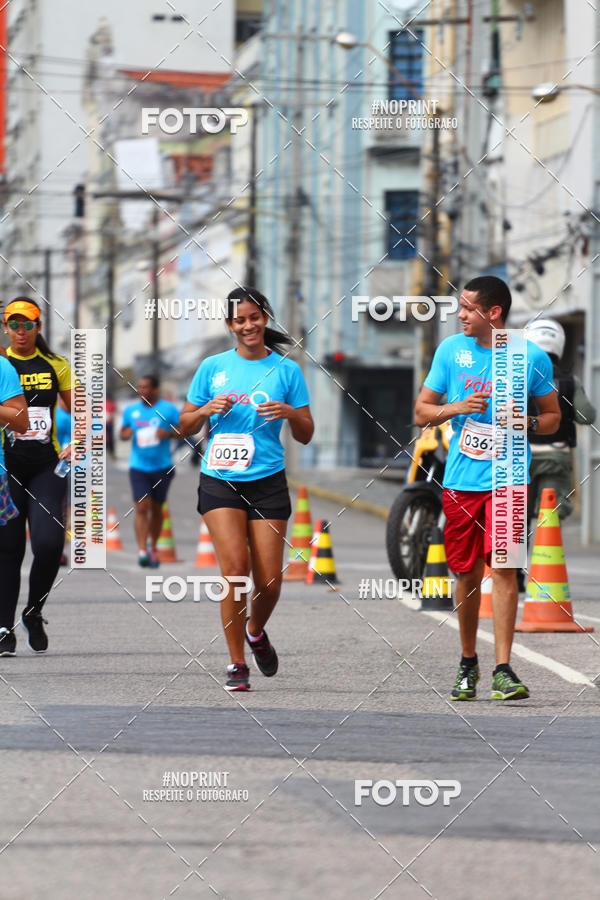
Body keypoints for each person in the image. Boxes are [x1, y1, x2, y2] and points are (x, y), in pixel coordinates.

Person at [414, 276, 560, 702]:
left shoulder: (530, 357)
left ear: (493, 313)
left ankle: (502, 668)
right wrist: (454, 408)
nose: (460, 315)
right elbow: (422, 411)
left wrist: (527, 423)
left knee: (506, 569)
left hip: (511, 478)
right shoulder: (451, 352)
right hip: (461, 481)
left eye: (467, 308)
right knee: (466, 574)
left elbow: (552, 417)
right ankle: (467, 661)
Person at [179, 287, 314, 692]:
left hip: (268, 480)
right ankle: (237, 661)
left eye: (254, 317)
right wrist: (203, 411)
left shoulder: (287, 371)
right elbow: (184, 425)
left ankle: (256, 630)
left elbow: (306, 434)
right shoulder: (212, 367)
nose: (248, 325)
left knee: (270, 580)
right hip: (220, 478)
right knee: (235, 570)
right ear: (230, 325)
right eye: (240, 319)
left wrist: (291, 413)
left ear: (265, 319)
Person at [0, 297, 72, 654]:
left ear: (38, 327)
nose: (21, 331)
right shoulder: (2, 364)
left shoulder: (56, 364)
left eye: (27, 324)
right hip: (7, 465)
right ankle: (3, 627)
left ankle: (33, 610)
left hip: (47, 464)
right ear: (6, 328)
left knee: (48, 543)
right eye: (14, 324)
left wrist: (77, 443)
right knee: (9, 548)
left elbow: (84, 412)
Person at [524, 318, 596, 523]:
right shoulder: (569, 380)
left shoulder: (516, 376)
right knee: (551, 515)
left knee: (517, 519)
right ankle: (547, 555)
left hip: (520, 456)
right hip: (556, 456)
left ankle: (518, 554)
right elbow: (586, 416)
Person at [120, 375, 179, 568]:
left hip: (162, 466)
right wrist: (126, 433)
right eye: (139, 387)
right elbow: (123, 433)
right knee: (142, 506)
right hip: (138, 466)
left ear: (155, 389)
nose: (141, 391)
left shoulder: (168, 409)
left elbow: (184, 430)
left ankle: (153, 546)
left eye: (145, 387)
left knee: (156, 509)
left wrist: (168, 433)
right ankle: (142, 550)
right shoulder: (131, 410)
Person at [55, 396, 72, 566]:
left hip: (66, 469)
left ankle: (61, 551)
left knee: (64, 511)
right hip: (53, 467)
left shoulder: (68, 417)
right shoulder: (56, 416)